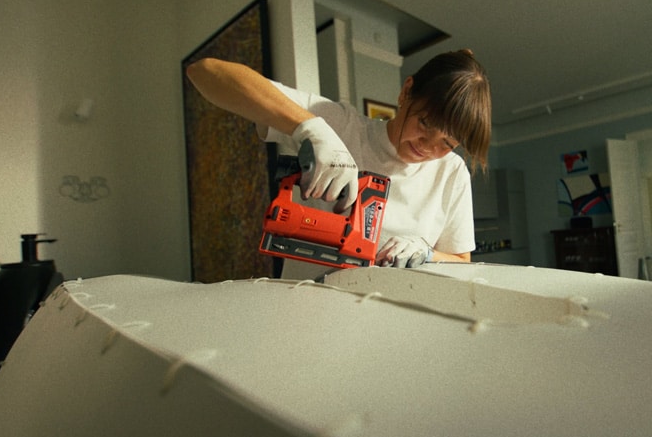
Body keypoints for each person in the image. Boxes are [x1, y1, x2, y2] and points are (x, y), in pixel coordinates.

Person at [185, 49, 491, 278]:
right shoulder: (340, 125)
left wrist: (427, 254)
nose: (429, 146)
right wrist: (310, 128)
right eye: (424, 123)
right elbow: (205, 72)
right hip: (305, 314)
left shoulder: (451, 173)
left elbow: (461, 260)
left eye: (447, 143)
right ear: (406, 92)